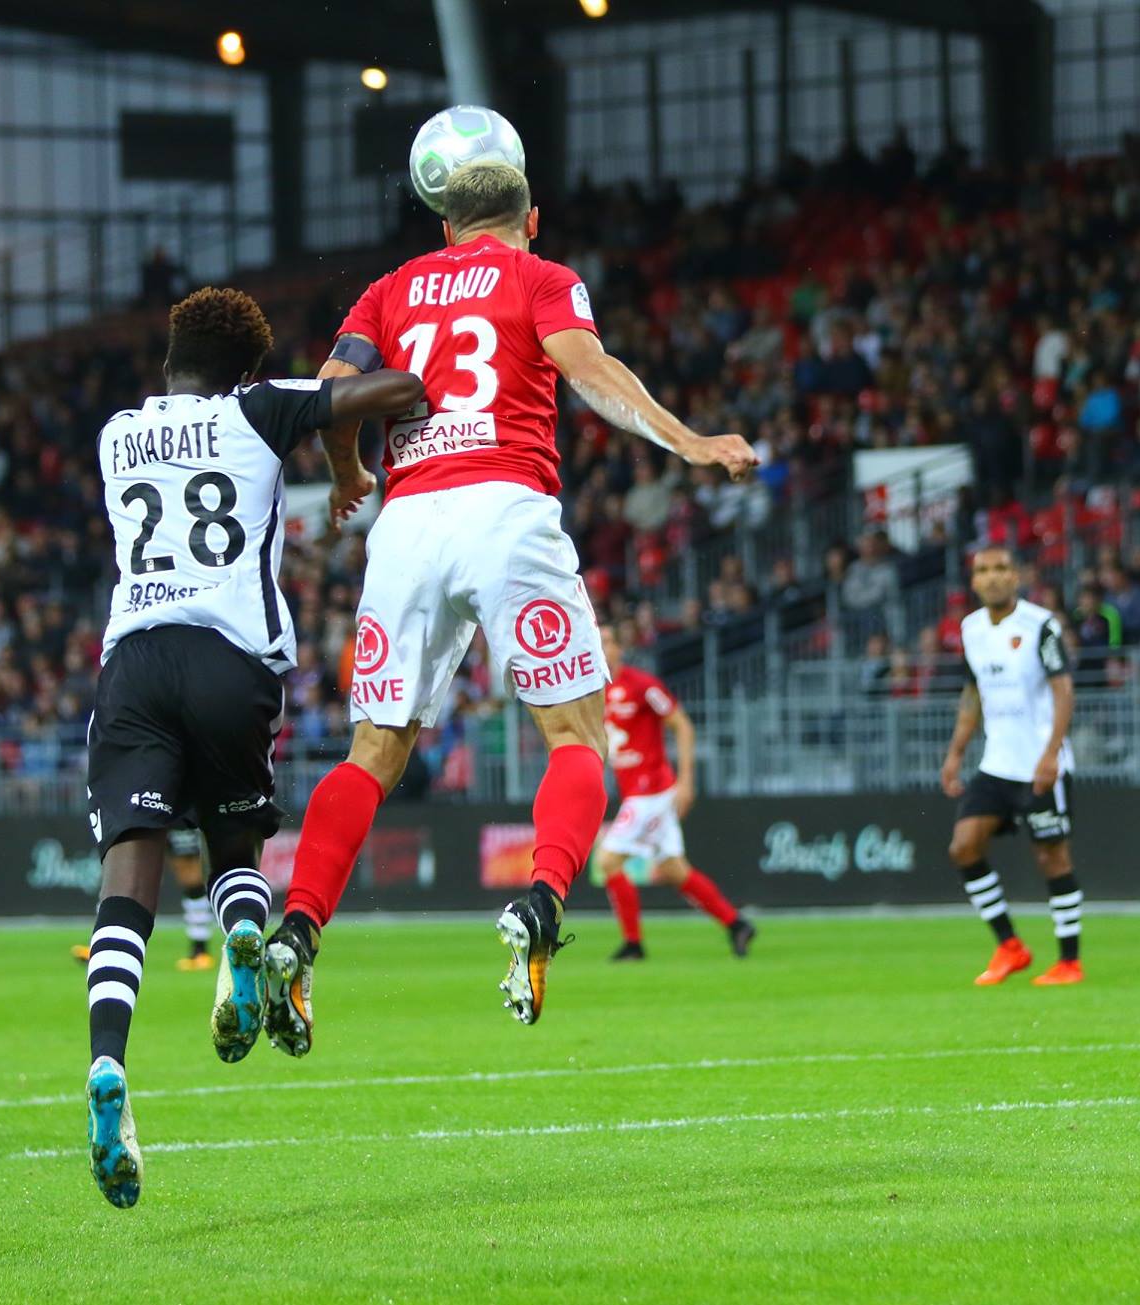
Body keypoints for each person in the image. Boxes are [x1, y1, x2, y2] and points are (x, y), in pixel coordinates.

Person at [282, 161, 756, 1031]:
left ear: (444, 228)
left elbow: (330, 392)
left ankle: (300, 927)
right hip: (506, 509)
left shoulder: (389, 290)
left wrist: (349, 471)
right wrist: (687, 441)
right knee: (574, 735)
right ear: (530, 218)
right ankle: (540, 902)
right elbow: (588, 367)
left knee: (372, 753)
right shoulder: (543, 277)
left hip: (408, 525)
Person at [78, 286, 422, 1208]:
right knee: (235, 845)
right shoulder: (259, 408)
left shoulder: (117, 433)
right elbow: (396, 388)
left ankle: (109, 1060)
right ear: (249, 370)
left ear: (166, 364)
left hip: (135, 661)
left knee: (130, 877)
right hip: (231, 662)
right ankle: (242, 931)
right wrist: (346, 430)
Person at [939, 546, 1085, 987]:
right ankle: (1010, 945)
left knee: (1052, 857)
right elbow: (973, 694)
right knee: (963, 847)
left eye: (1001, 568)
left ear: (1016, 576)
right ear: (974, 581)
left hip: (1039, 763)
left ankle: (1069, 961)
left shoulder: (1040, 624)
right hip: (997, 763)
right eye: (983, 570)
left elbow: (1063, 691)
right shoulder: (971, 629)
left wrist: (1051, 753)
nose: (993, 577)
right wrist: (956, 752)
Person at [594, 625, 756, 961]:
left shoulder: (643, 686)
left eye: (608, 640)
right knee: (673, 870)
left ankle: (633, 944)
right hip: (635, 792)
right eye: (597, 640)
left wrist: (686, 781)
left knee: (608, 861)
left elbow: (681, 724)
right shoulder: (594, 690)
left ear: (620, 648)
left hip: (651, 791)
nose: (602, 646)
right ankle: (736, 924)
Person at [70, 825, 213, 969]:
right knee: (124, 870)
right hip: (145, 809)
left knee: (189, 875)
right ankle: (102, 944)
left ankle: (200, 950)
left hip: (177, 814)